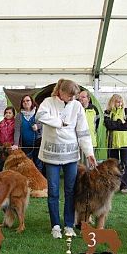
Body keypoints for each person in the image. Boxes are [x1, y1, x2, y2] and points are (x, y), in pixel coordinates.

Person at [36, 79, 97, 239]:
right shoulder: (48, 102)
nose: (72, 99)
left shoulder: (76, 106)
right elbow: (40, 116)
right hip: (51, 155)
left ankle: (69, 225)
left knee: (70, 191)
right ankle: (55, 225)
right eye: (70, 96)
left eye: (74, 97)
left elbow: (83, 131)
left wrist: (89, 153)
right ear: (61, 92)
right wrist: (59, 123)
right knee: (54, 191)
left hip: (71, 156)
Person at [103, 94, 127, 194]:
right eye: (117, 101)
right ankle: (113, 185)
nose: (119, 104)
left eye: (121, 102)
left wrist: (116, 124)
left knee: (125, 164)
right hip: (112, 142)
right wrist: (121, 123)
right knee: (112, 164)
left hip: (125, 142)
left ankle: (125, 185)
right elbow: (108, 125)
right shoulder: (107, 112)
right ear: (112, 102)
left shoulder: (126, 111)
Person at [12, 95, 43, 172]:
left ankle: (39, 182)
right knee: (25, 165)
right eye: (24, 101)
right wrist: (16, 144)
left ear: (32, 102)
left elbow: (43, 124)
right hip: (25, 145)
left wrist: (38, 126)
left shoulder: (38, 113)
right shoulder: (19, 116)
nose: (25, 102)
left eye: (28, 100)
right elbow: (17, 130)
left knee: (38, 165)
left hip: (38, 143)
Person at [78, 90, 99, 164]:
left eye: (83, 97)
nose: (81, 99)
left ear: (88, 99)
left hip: (91, 141)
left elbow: (97, 125)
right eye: (79, 97)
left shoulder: (94, 109)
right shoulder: (76, 108)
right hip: (78, 142)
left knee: (89, 165)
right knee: (79, 166)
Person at [0, 106, 16, 172]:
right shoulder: (1, 123)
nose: (8, 114)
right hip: (1, 147)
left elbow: (18, 136)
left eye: (10, 113)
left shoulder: (15, 123)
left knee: (10, 166)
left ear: (13, 114)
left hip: (10, 148)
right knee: (0, 166)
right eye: (6, 112)